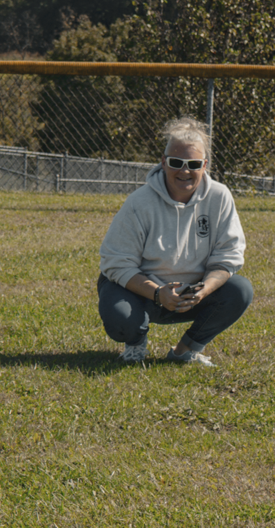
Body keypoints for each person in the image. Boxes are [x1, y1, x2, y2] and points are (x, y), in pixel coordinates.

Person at [97, 117, 253, 367]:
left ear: (204, 164)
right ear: (163, 162)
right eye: (176, 162)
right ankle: (135, 343)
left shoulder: (220, 197)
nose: (184, 171)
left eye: (193, 164)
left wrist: (204, 290)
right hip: (142, 291)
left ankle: (185, 351)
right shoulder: (139, 202)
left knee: (240, 290)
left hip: (193, 293)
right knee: (120, 318)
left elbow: (229, 256)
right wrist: (158, 294)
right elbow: (116, 262)